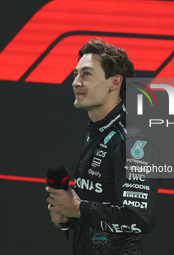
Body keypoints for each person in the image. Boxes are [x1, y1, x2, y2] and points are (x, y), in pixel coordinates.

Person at [46, 38, 159, 254]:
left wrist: (79, 209)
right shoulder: (99, 132)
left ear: (115, 83)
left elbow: (139, 219)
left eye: (86, 74)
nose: (76, 82)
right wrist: (68, 215)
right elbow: (100, 205)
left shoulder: (131, 141)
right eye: (75, 74)